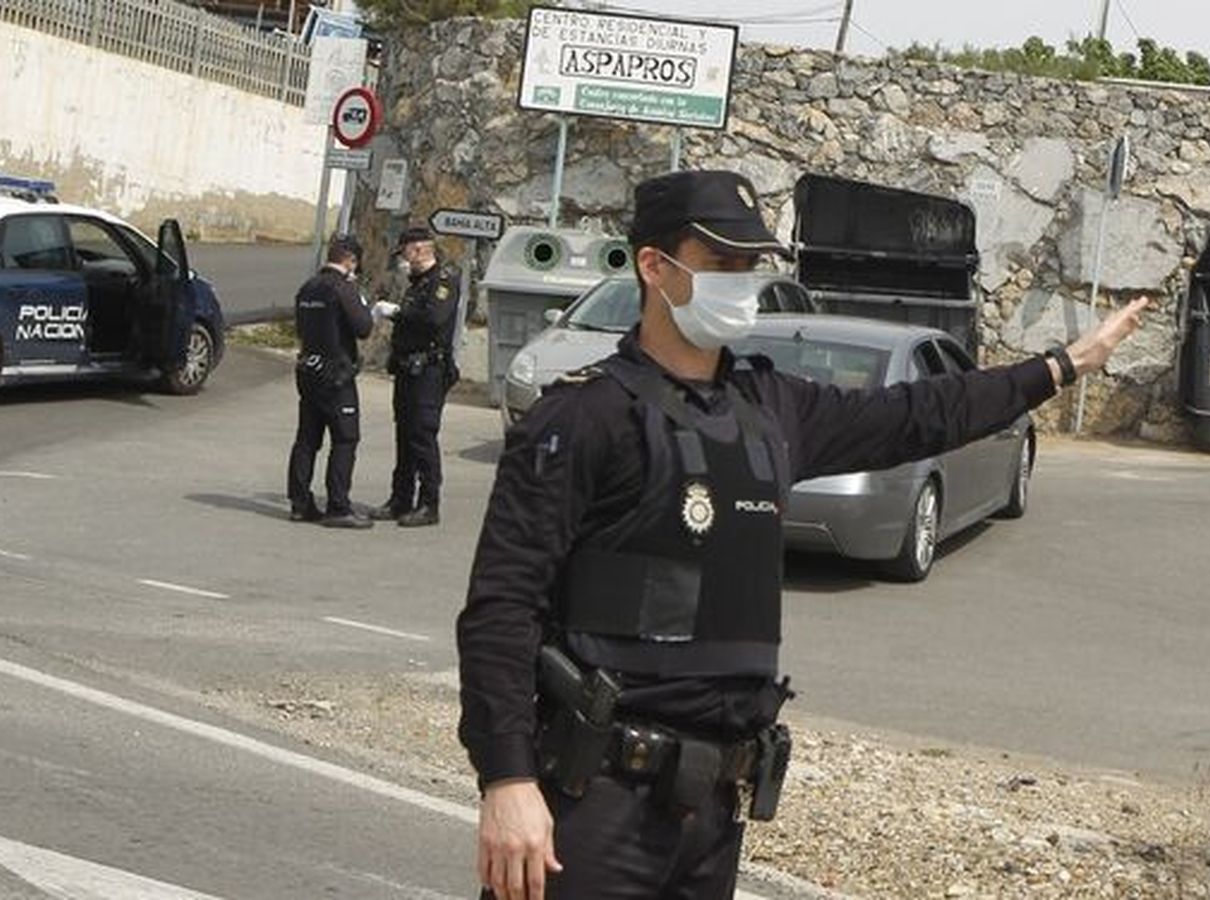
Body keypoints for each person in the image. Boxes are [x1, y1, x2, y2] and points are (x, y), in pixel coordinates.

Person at [456, 170, 1150, 900]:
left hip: (711, 812)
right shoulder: (586, 418)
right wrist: (506, 779)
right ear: (654, 267)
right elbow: (501, 609)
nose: (742, 282)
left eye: (752, 265)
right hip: (594, 804)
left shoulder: (770, 409)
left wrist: (1063, 366)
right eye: (722, 263)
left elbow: (920, 413)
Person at [369, 227, 462, 528]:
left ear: (420, 249)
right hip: (408, 369)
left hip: (429, 372)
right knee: (405, 435)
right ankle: (400, 499)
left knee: (422, 435)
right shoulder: (418, 283)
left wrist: (396, 312)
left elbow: (434, 319)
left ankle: (428, 503)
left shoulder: (442, 282)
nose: (404, 259)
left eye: (406, 252)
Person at [286, 234, 375, 529]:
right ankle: (338, 506)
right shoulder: (343, 289)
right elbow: (363, 328)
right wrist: (365, 305)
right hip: (336, 375)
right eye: (355, 265)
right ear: (350, 261)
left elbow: (300, 329)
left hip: (308, 369)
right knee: (345, 438)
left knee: (307, 439)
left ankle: (300, 503)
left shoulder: (307, 287)